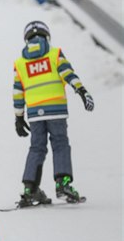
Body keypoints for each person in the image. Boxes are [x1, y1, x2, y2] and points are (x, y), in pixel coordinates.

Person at [13, 20, 94, 207]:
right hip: (56, 110)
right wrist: (82, 91)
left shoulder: (20, 63)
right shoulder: (54, 54)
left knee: (36, 148)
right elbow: (68, 74)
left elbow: (18, 91)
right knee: (60, 144)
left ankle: (30, 189)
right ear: (46, 35)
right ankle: (63, 184)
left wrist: (18, 117)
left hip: (34, 113)